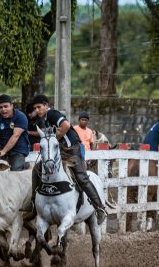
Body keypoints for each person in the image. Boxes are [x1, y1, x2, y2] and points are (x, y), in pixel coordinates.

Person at [26, 94, 108, 225]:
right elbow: (45, 133)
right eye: (35, 108)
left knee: (81, 177)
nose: (37, 110)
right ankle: (33, 204)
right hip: (61, 151)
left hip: (73, 149)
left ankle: (100, 208)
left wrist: (54, 139)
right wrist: (31, 133)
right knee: (37, 168)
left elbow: (65, 125)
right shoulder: (45, 120)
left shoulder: (52, 113)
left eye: (39, 107)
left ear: (46, 106)